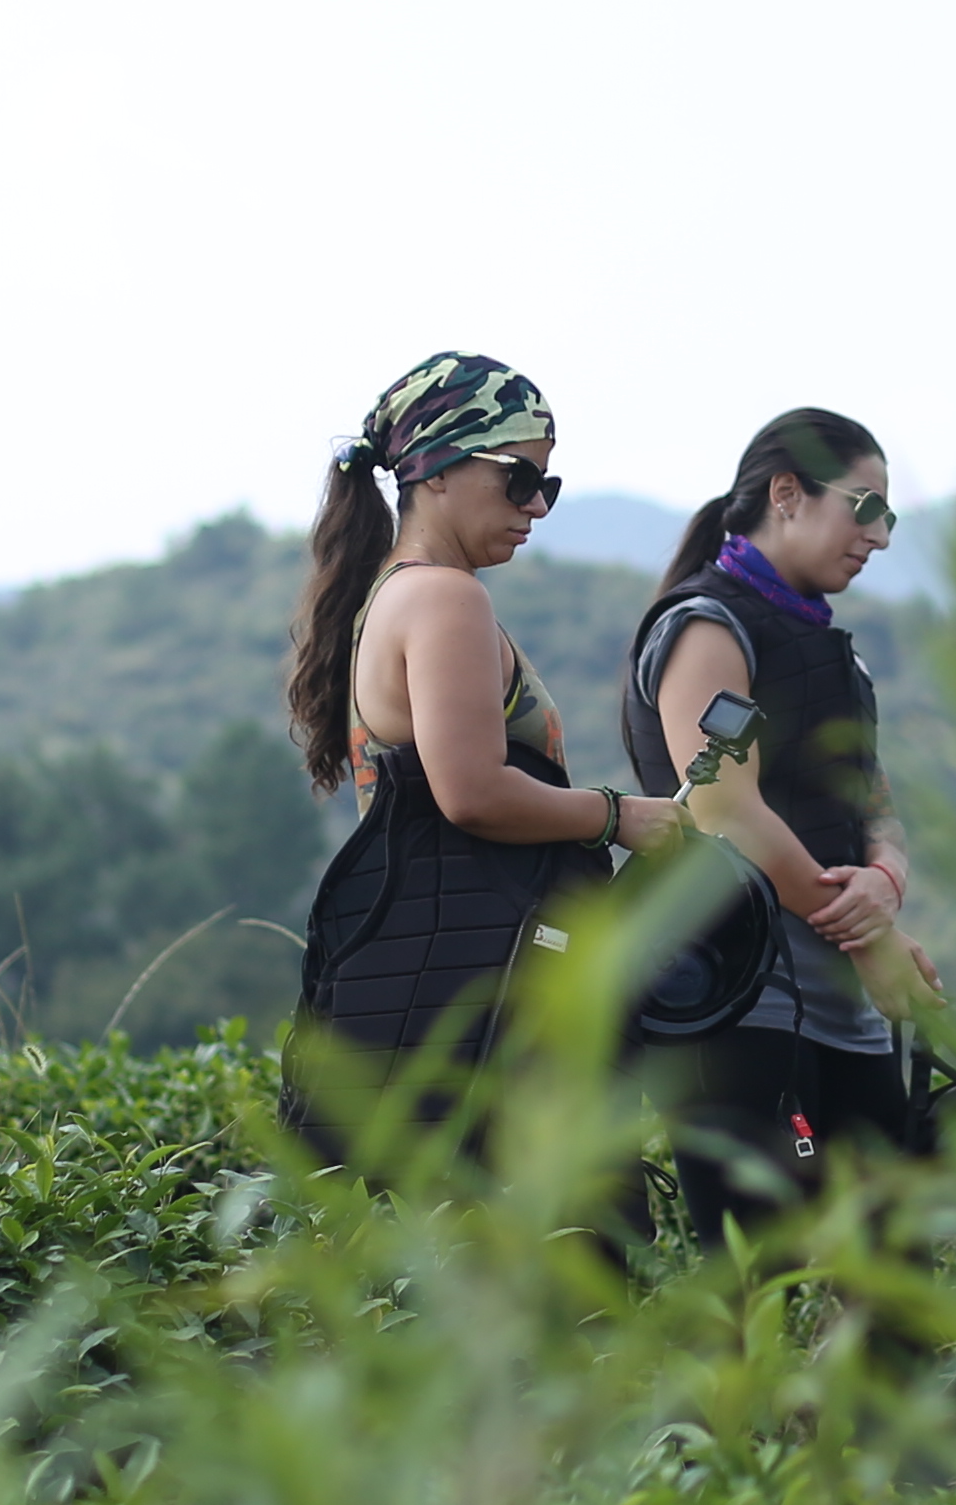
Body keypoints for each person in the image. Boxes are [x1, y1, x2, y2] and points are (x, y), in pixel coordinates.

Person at [281, 351, 688, 1155]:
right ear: (434, 469)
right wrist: (620, 817)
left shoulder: (392, 594)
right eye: (518, 478)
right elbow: (470, 792)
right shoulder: (443, 596)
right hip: (484, 991)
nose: (537, 505)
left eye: (549, 484)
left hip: (433, 976)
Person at [616, 407, 933, 1244]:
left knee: (895, 1279)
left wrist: (884, 882)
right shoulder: (710, 628)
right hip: (737, 1010)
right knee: (755, 1279)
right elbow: (723, 802)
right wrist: (870, 939)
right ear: (786, 495)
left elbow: (878, 809)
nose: (881, 537)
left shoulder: (837, 654)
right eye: (865, 508)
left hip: (845, 1013)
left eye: (889, 516)